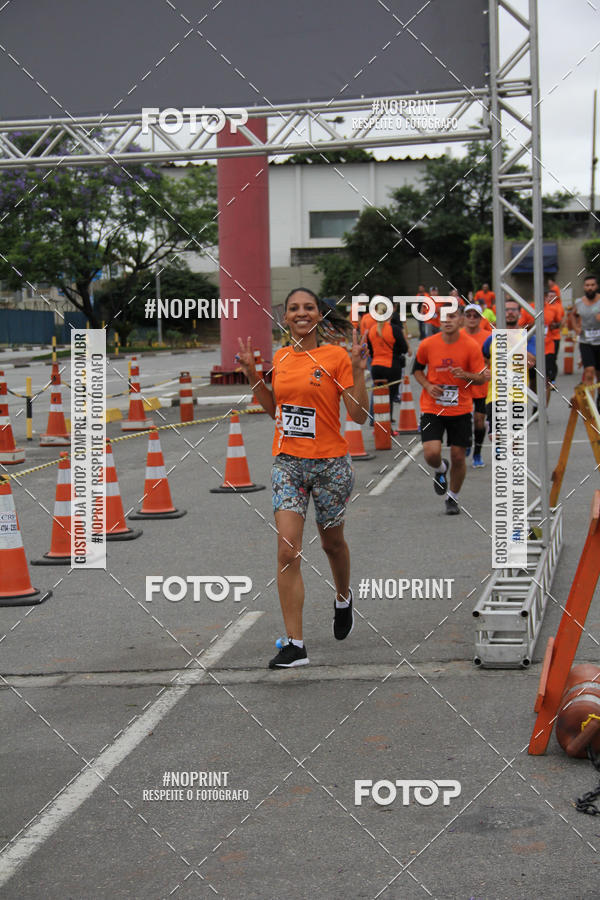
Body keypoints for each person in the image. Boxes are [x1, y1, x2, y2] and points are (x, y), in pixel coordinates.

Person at [236, 288, 369, 669]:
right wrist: (250, 373)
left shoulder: (336, 356)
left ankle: (343, 597)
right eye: (294, 308)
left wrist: (358, 372)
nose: (301, 313)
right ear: (285, 316)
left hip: (330, 466)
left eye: (308, 307)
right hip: (288, 465)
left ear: (319, 315)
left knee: (332, 544)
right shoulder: (280, 358)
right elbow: (274, 410)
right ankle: (295, 644)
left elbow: (357, 416)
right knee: (286, 550)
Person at [412, 307, 487, 515]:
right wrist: (427, 386)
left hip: (460, 408)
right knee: (431, 453)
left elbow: (482, 378)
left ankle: (452, 497)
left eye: (452, 317)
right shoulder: (428, 344)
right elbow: (416, 370)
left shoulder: (471, 346)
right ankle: (440, 469)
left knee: (458, 456)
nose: (447, 321)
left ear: (460, 320)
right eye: (444, 317)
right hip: (432, 407)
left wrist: (464, 374)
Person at [366, 302, 408, 433]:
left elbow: (371, 351)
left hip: (376, 367)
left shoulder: (372, 330)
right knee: (389, 398)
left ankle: (378, 425)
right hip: (391, 366)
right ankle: (386, 427)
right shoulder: (394, 329)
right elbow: (404, 348)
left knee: (379, 397)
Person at [461, 304, 490, 467]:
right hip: (461, 384)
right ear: (463, 318)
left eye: (475, 316)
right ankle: (467, 440)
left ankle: (477, 453)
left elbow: (495, 358)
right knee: (463, 420)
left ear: (481, 318)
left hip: (481, 385)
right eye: (469, 315)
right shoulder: (457, 335)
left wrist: (489, 370)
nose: (472, 318)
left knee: (479, 420)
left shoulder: (489, 336)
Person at [568, 274, 600, 410]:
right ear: (584, 287)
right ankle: (590, 406)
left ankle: (598, 401)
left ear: (596, 286)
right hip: (585, 342)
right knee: (589, 371)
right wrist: (576, 328)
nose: (590, 287)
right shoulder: (579, 302)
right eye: (587, 285)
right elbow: (572, 315)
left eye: (592, 285)